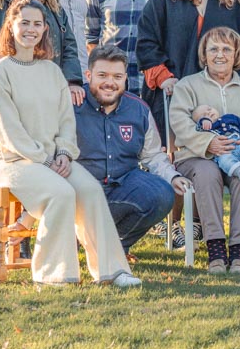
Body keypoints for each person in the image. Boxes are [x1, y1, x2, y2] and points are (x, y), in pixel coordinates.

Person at [0, 0, 140, 287]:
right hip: (14, 161)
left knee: (90, 190)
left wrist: (66, 154)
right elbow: (8, 131)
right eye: (24, 22)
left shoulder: (52, 72)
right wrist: (45, 160)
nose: (30, 29)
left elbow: (67, 122)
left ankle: (112, 271)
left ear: (44, 30)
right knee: (61, 193)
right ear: (11, 26)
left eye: (37, 24)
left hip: (55, 160)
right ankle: (53, 275)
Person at [137, 0, 240, 247]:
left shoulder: (233, 2)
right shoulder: (164, 0)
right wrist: (163, 76)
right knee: (177, 157)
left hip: (219, 97)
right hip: (174, 94)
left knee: (212, 158)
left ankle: (200, 223)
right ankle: (177, 222)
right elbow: (147, 44)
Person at [169, 27, 240, 273]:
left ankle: (239, 251)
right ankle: (215, 250)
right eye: (213, 49)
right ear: (204, 54)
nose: (220, 54)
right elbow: (179, 121)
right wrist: (207, 143)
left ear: (236, 54)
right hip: (197, 157)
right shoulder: (188, 85)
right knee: (207, 173)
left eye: (227, 49)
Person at [74, 45, 191, 261]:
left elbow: (153, 155)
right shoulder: (73, 105)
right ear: (88, 75)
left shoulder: (138, 109)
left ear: (125, 78)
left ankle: (115, 246)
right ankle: (78, 238)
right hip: (81, 193)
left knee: (161, 193)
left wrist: (172, 176)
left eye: (117, 76)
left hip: (122, 188)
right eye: (102, 75)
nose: (110, 82)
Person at [192, 105, 240, 180]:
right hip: (225, 150)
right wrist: (204, 121)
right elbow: (198, 130)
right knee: (224, 160)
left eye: (209, 109)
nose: (209, 113)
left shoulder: (230, 117)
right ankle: (237, 170)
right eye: (204, 115)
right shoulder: (207, 128)